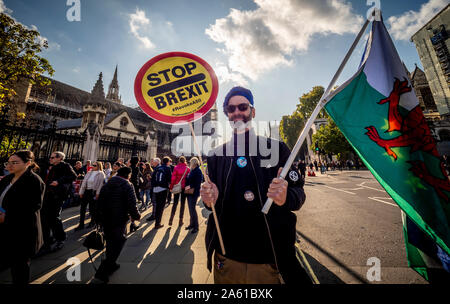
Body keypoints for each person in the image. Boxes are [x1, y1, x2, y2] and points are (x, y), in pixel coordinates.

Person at [200, 86, 309, 284]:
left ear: (253, 111)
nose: (237, 112)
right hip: (227, 258)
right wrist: (209, 201)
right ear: (227, 114)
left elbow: (299, 194)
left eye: (242, 106)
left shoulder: (276, 149)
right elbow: (211, 205)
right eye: (231, 109)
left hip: (269, 259)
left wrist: (285, 197)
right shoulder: (216, 156)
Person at [0, 150, 45, 284]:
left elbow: (33, 206)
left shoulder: (34, 181)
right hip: (5, 230)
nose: (10, 166)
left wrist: (6, 217)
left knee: (19, 269)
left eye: (15, 163)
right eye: (9, 162)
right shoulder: (8, 178)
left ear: (28, 163)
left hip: (23, 232)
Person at [95, 166, 140, 283]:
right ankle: (104, 270)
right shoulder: (127, 185)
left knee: (110, 241)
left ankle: (112, 264)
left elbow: (99, 200)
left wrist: (98, 217)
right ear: (128, 175)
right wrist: (136, 216)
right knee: (119, 241)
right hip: (119, 218)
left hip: (105, 217)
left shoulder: (108, 184)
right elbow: (132, 203)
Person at [39, 151, 77, 253]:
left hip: (57, 196)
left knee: (54, 218)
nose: (50, 159)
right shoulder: (50, 166)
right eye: (50, 157)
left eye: (52, 157)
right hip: (47, 195)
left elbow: (74, 176)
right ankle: (47, 240)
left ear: (59, 158)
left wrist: (59, 181)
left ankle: (60, 238)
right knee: (45, 218)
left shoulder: (65, 166)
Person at [75, 161, 106, 231]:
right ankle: (81, 224)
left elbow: (101, 185)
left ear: (98, 166)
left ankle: (92, 222)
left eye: (95, 165)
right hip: (86, 191)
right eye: (93, 165)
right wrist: (81, 192)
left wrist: (98, 193)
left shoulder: (101, 174)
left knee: (92, 209)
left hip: (93, 192)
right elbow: (84, 183)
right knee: (82, 208)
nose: (93, 166)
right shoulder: (89, 172)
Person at [147, 156, 171, 229]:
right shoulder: (167, 168)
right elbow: (170, 178)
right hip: (163, 189)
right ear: (167, 162)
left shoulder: (157, 168)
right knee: (161, 207)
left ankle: (156, 220)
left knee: (157, 206)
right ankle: (158, 223)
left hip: (155, 189)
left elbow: (153, 179)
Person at [168, 156, 190, 226]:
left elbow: (173, 178)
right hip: (184, 188)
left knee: (175, 203)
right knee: (182, 204)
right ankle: (181, 220)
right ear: (185, 161)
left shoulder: (176, 168)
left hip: (177, 186)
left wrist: (171, 187)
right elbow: (188, 179)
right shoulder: (188, 169)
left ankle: (171, 219)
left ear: (179, 161)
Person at [184, 157, 203, 234]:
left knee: (192, 210)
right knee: (190, 209)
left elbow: (197, 183)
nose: (189, 163)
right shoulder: (192, 170)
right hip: (189, 192)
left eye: (190, 162)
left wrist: (188, 186)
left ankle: (196, 227)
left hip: (194, 192)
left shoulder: (198, 171)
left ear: (193, 163)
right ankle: (192, 224)